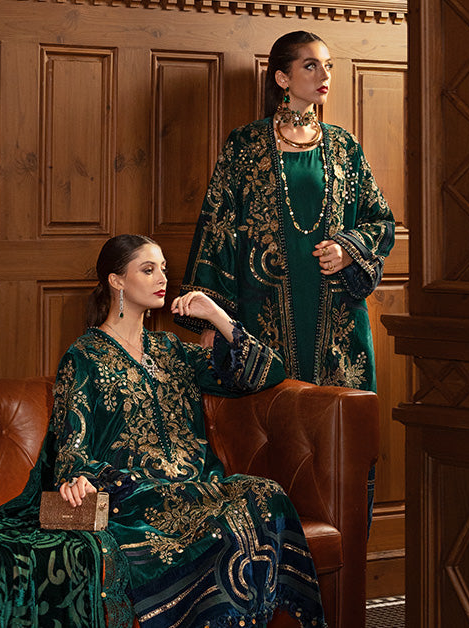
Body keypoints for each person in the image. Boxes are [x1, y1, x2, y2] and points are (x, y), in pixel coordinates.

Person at [0, 234, 326, 628]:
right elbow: (73, 437)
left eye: (164, 269)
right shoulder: (84, 356)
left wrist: (216, 315)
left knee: (264, 493)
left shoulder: (173, 351)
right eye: (148, 269)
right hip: (133, 495)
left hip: (197, 485)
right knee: (225, 514)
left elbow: (267, 371)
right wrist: (76, 477)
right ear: (116, 281)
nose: (162, 278)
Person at [176, 31, 395, 522]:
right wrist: (213, 320)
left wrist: (348, 249)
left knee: (341, 443)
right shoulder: (246, 146)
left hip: (338, 324)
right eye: (311, 66)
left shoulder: (343, 147)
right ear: (282, 77)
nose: (324, 76)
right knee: (269, 442)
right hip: (262, 317)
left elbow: (381, 221)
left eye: (328, 65)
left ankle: (343, 555)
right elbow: (218, 229)